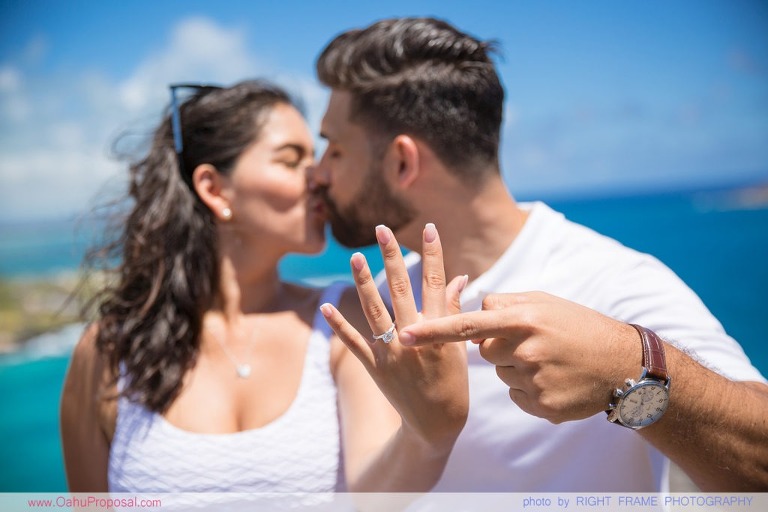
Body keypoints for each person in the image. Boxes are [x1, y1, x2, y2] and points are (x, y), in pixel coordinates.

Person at [309, 17, 768, 491]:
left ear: (402, 161)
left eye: (334, 150)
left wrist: (628, 364)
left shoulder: (609, 281)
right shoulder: (377, 302)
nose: (317, 173)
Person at [59, 79, 469, 502]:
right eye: (292, 161)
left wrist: (430, 434)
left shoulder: (344, 320)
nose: (320, 179)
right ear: (214, 189)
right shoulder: (107, 353)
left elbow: (374, 497)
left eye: (314, 159)